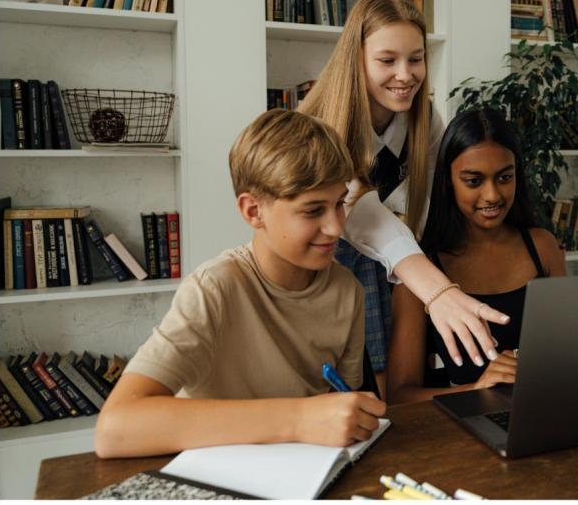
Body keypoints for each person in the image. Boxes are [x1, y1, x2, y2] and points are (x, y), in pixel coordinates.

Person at [94, 110, 386, 458]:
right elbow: (115, 429)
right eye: (312, 211)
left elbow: (342, 401)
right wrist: (298, 418)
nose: (336, 228)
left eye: (339, 204)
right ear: (252, 211)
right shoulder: (212, 288)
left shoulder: (347, 290)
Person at [299, 0, 507, 394]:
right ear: (356, 59)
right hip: (329, 268)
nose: (405, 74)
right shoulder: (322, 125)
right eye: (387, 60)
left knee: (393, 394)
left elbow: (434, 195)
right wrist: (437, 290)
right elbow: (360, 211)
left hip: (397, 267)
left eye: (416, 58)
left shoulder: (423, 119)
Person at [386, 108, 567, 404]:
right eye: (473, 181)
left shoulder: (543, 247)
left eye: (504, 177)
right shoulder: (421, 271)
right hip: (464, 427)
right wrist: (477, 391)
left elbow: (567, 349)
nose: (492, 195)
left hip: (545, 407)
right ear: (447, 180)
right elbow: (399, 396)